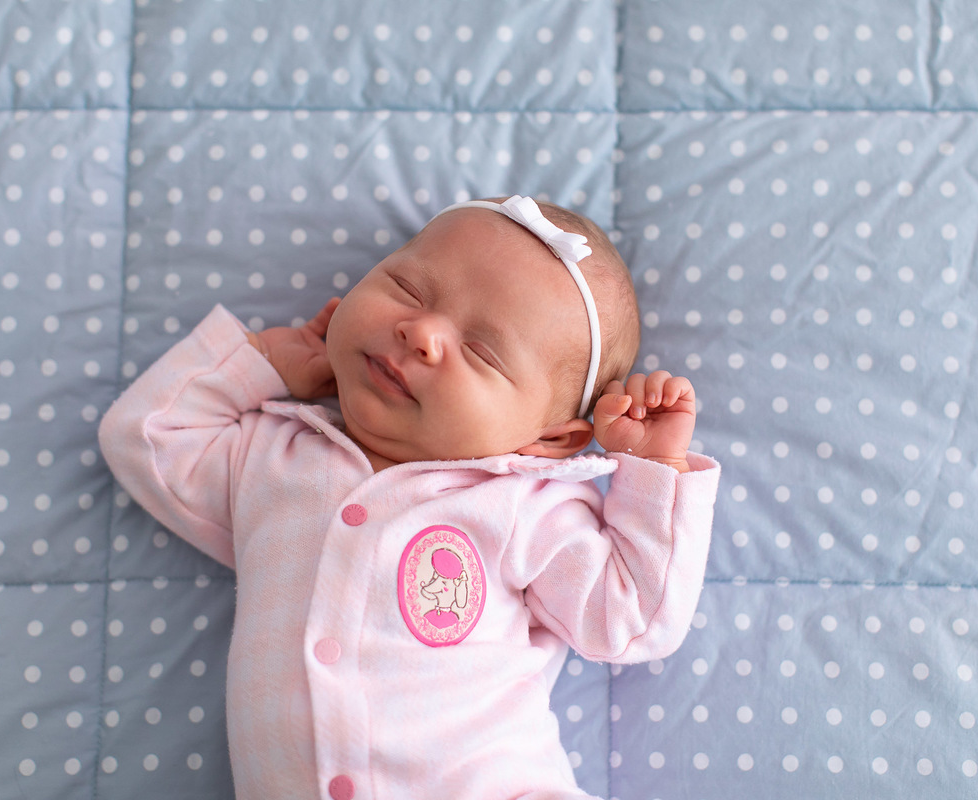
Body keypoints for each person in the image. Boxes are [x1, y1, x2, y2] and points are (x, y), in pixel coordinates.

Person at [99, 195, 720, 800]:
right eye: (407, 289)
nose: (420, 331)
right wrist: (262, 361)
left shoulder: (522, 506)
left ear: (551, 438)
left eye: (480, 350)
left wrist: (652, 467)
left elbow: (629, 622)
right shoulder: (274, 458)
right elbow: (148, 438)